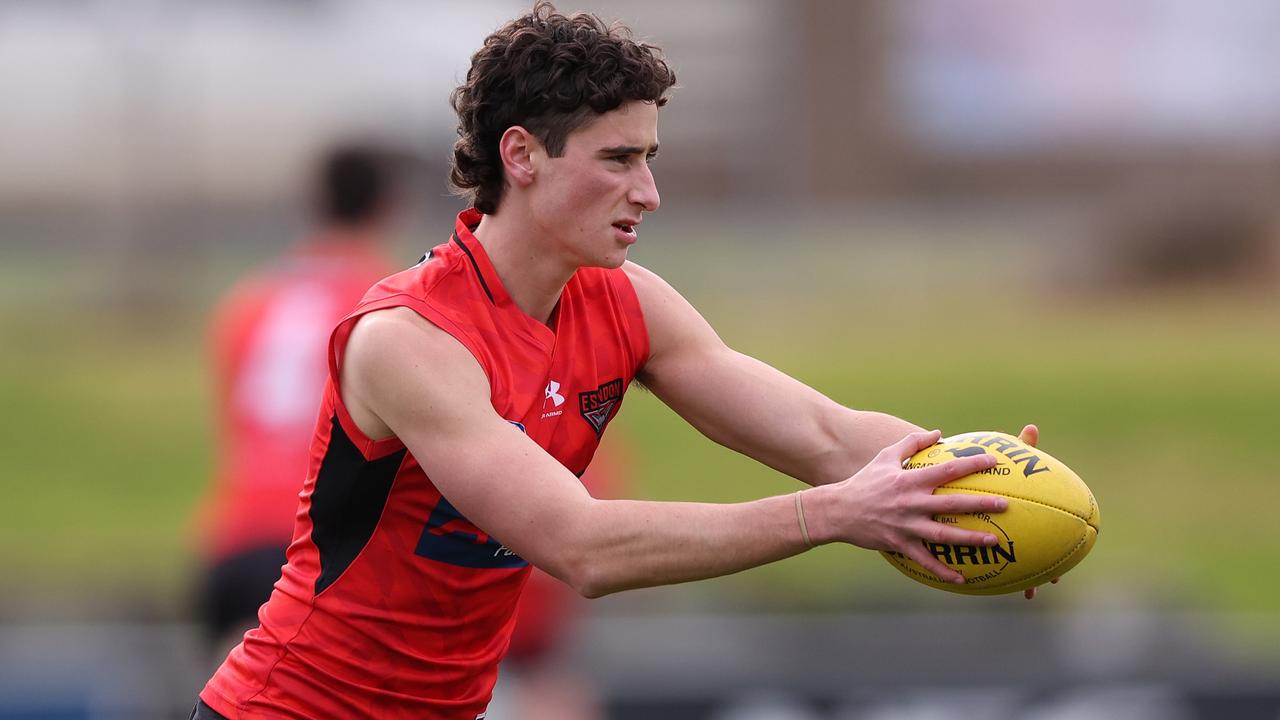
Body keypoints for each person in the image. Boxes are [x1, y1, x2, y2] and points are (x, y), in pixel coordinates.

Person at [194, 4, 1046, 718]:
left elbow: (826, 434)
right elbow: (584, 547)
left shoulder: (624, 301)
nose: (649, 193)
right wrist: (830, 515)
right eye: (618, 160)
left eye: (650, 159)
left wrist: (980, 488)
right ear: (522, 156)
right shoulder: (409, 340)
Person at [192, 144, 402, 658]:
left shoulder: (250, 300)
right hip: (323, 544)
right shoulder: (389, 300)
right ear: (386, 208)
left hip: (234, 539)